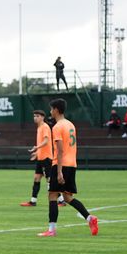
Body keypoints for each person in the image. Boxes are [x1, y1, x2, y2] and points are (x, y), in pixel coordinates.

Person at [38, 98, 99, 237]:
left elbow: (60, 150)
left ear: (56, 110)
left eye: (51, 109)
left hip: (61, 164)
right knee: (67, 197)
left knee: (52, 195)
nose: (50, 111)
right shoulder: (70, 124)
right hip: (72, 164)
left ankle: (51, 230)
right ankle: (90, 218)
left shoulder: (57, 127)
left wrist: (59, 171)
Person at [20, 110, 53, 207]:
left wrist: (36, 147)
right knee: (36, 178)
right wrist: (37, 153)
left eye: (37, 116)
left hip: (46, 158)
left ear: (42, 117)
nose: (35, 118)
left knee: (49, 180)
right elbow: (42, 144)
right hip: (41, 158)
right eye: (34, 116)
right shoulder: (39, 128)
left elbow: (46, 141)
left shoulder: (45, 127)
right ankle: (33, 201)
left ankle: (60, 200)